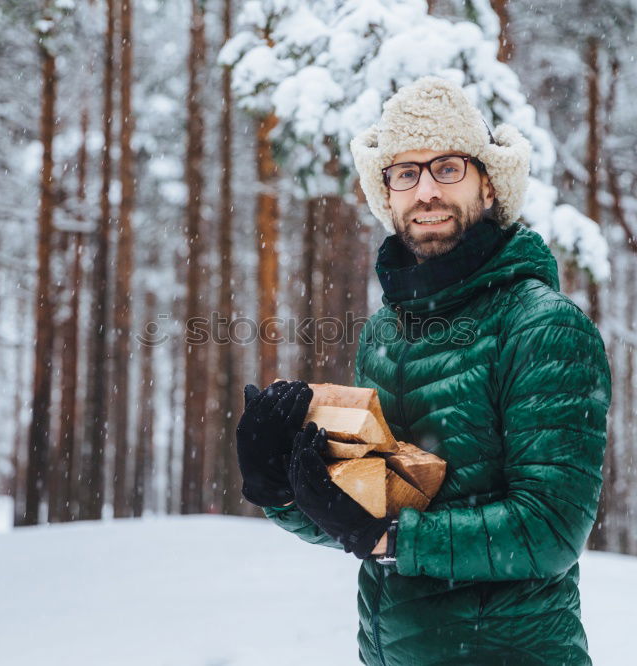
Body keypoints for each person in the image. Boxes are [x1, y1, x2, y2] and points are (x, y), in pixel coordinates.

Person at [235, 76, 612, 666]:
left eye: (447, 167)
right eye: (405, 173)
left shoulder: (543, 326)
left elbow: (551, 530)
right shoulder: (385, 333)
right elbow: (369, 511)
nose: (425, 190)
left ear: (488, 186)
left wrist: (388, 538)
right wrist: (283, 492)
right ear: (387, 194)